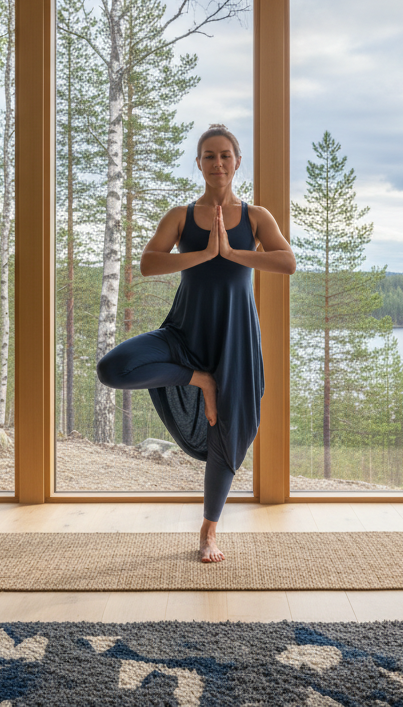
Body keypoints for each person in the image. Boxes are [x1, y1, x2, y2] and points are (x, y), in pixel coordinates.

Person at [96, 124, 295, 563]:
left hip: (236, 341)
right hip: (184, 332)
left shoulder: (257, 216)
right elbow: (149, 263)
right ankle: (199, 379)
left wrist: (232, 253)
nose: (218, 163)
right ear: (200, 164)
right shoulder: (181, 216)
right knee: (113, 368)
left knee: (229, 433)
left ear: (237, 162)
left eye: (225, 155)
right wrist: (205, 253)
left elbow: (286, 261)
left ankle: (209, 532)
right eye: (209, 156)